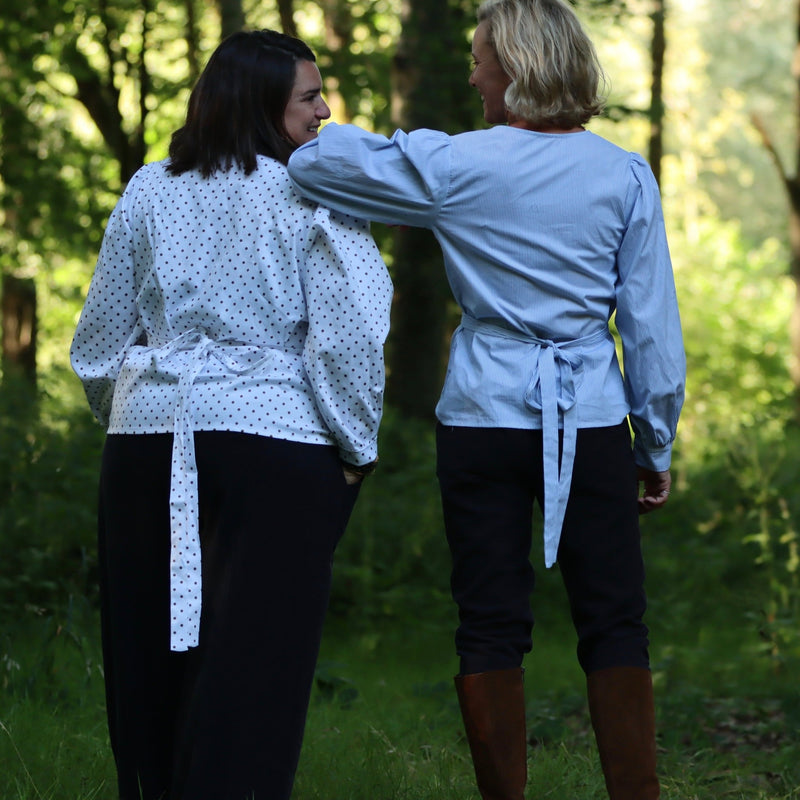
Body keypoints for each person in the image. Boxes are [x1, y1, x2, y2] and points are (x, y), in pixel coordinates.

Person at [286, 0, 685, 798]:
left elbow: (315, 166)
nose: (472, 77)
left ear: (518, 67)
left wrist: (344, 129)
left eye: (480, 62)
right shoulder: (623, 174)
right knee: (615, 617)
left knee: (489, 620)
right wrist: (654, 442)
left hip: (482, 417)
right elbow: (650, 329)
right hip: (592, 419)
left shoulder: (455, 164)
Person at [70, 29, 392, 800]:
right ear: (260, 105)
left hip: (146, 444)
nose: (324, 112)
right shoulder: (318, 194)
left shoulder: (150, 188)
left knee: (145, 662)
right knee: (256, 668)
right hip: (273, 448)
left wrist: (133, 413)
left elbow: (99, 345)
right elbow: (348, 338)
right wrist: (355, 451)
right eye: (310, 97)